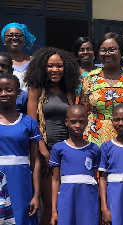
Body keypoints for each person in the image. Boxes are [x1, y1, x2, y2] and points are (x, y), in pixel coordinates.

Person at [24, 47, 79, 225]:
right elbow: (32, 123)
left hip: (68, 152)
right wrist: (43, 151)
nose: (55, 70)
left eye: (59, 66)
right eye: (50, 66)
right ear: (42, 67)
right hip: (45, 151)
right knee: (49, 205)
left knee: (66, 203)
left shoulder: (70, 91)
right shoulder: (37, 88)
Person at [77, 32, 123, 147]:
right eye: (103, 50)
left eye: (112, 49)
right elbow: (82, 112)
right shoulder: (89, 78)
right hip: (94, 142)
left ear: (121, 52)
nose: (107, 54)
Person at [0, 74, 41, 224]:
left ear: (18, 93)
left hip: (20, 182)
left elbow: (35, 162)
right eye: (0, 90)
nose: (3, 93)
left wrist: (36, 195)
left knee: (20, 219)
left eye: (9, 90)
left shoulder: (28, 122)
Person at [50, 105, 100, 225]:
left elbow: (95, 178)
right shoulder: (58, 148)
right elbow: (56, 180)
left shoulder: (94, 149)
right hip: (67, 198)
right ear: (66, 122)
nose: (77, 125)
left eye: (81, 122)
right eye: (73, 122)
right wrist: (54, 211)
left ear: (87, 122)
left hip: (88, 198)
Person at [1, 22, 36, 91]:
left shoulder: (34, 62)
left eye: (18, 35)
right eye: (10, 35)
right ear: (4, 39)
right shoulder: (1, 63)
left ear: (25, 39)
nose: (14, 38)